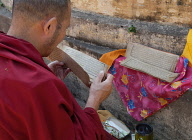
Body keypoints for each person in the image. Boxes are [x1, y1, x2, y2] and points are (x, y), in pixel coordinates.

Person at [0, 0, 115, 139]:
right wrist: (95, 99)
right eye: (65, 28)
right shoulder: (39, 86)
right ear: (49, 26)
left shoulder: (39, 84)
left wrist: (44, 77)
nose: (64, 35)